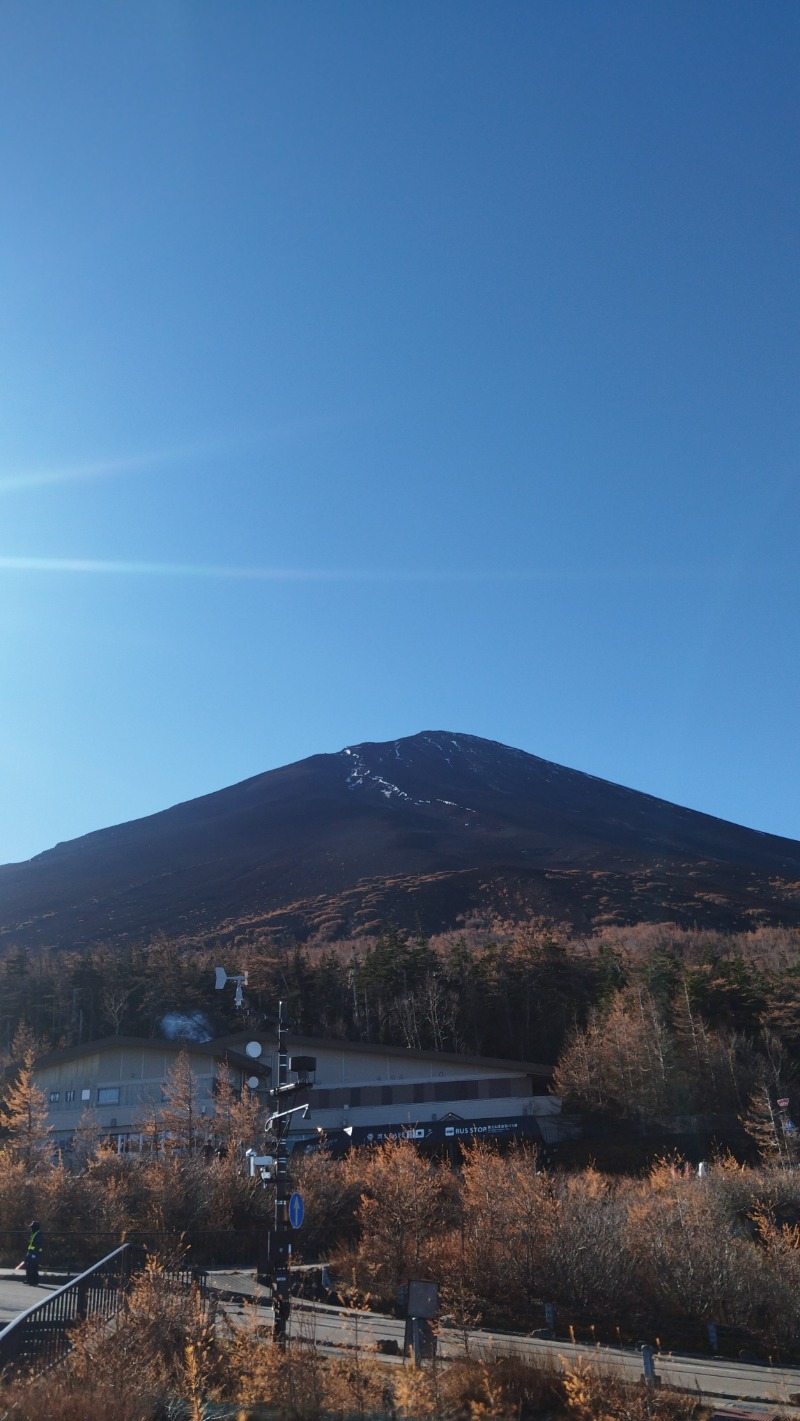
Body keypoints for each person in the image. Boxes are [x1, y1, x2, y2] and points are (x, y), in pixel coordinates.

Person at [23, 1220, 43, 1286]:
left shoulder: (38, 1234)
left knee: (33, 1267)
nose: (31, 1228)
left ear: (35, 1227)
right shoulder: (35, 1234)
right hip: (31, 1253)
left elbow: (38, 1246)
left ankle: (34, 1281)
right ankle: (29, 1280)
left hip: (35, 1254)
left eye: (32, 1227)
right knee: (29, 1267)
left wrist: (34, 1254)